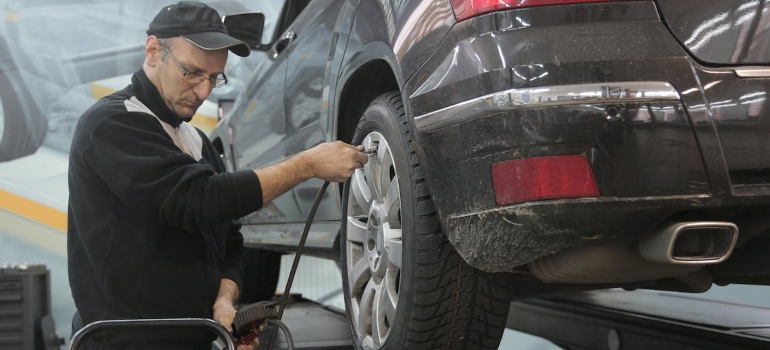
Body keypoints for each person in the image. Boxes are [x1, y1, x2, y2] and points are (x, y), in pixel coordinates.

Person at [66, 1, 368, 349]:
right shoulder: (111, 123)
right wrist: (307, 165)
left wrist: (225, 300)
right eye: (192, 72)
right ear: (153, 52)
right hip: (122, 343)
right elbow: (195, 200)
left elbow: (232, 239)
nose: (204, 91)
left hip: (196, 339)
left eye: (214, 77)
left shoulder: (197, 143)